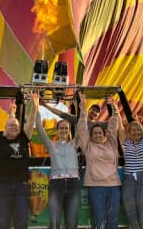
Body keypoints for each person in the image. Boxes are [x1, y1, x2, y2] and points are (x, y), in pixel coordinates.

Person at [0, 89, 36, 229]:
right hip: (2, 186)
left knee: (21, 223)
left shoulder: (23, 138)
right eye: (10, 125)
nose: (13, 126)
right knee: (2, 222)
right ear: (4, 128)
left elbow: (31, 122)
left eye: (16, 125)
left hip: (21, 186)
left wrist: (34, 107)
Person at [35, 93, 80, 229]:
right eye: (61, 128)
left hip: (73, 184)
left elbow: (81, 124)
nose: (64, 130)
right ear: (57, 130)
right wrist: (36, 106)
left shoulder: (75, 143)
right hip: (56, 184)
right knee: (54, 223)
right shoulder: (51, 144)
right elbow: (39, 127)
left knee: (71, 224)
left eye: (66, 128)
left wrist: (81, 106)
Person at [77, 92, 121, 229]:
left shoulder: (111, 144)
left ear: (104, 134)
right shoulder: (88, 146)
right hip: (96, 187)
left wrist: (114, 107)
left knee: (113, 220)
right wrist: (83, 109)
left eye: (100, 133)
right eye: (95, 133)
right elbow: (82, 129)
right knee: (99, 219)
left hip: (114, 186)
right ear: (91, 135)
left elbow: (114, 125)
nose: (97, 135)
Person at [118, 95, 143, 229]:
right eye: (133, 130)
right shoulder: (126, 143)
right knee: (130, 213)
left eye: (138, 129)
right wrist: (115, 110)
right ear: (128, 132)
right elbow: (119, 127)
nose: (136, 131)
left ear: (142, 131)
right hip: (128, 179)